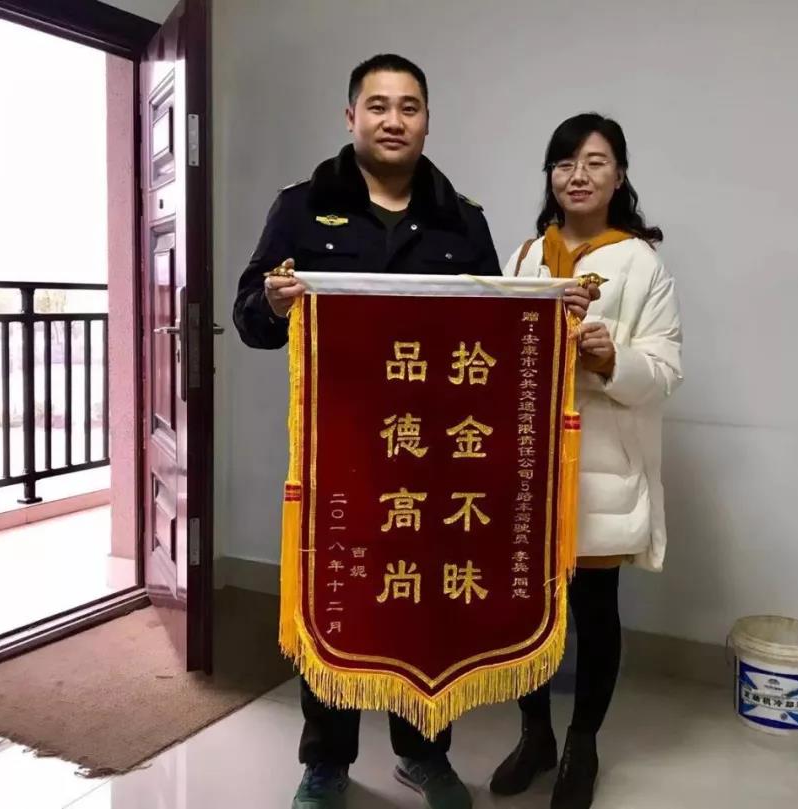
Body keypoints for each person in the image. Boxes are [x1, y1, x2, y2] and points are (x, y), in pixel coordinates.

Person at [232, 56, 594, 809]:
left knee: (426, 602)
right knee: (336, 595)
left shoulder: (464, 218)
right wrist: (273, 302)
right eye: (378, 106)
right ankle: (325, 762)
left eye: (408, 107)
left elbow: (498, 328)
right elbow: (250, 322)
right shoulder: (302, 208)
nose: (393, 120)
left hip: (437, 458)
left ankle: (425, 752)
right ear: (351, 117)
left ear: (428, 120)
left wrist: (553, 321)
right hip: (340, 452)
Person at [491, 113, 683, 809]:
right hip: (526, 465)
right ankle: (535, 733)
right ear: (550, 175)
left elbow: (665, 371)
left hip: (601, 465)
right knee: (526, 608)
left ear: (619, 176)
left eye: (595, 162)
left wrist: (610, 357)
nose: (578, 175)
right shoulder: (524, 258)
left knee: (595, 610)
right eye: (565, 162)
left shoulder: (641, 264)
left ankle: (583, 743)